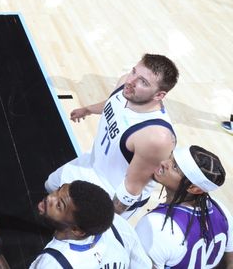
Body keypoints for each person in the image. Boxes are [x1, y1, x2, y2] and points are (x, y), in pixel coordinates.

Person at [46, 54, 178, 218]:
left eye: (143, 82)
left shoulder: (155, 137)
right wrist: (87, 110)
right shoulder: (126, 85)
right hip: (92, 163)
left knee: (72, 225)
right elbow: (112, 103)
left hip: (110, 192)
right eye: (134, 72)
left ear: (159, 95)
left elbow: (131, 188)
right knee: (51, 185)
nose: (131, 81)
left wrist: (106, 220)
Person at [0, 180, 151, 268]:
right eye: (58, 191)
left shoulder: (55, 263)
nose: (50, 198)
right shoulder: (117, 226)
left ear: (76, 230)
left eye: (59, 205)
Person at [135, 145, 232, 268]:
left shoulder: (156, 226)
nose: (164, 162)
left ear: (194, 188)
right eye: (170, 157)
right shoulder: (222, 211)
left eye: (175, 167)